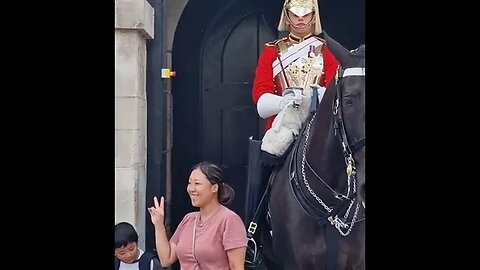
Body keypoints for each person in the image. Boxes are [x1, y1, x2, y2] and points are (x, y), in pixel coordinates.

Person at [245, 0, 340, 252]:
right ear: (286, 16)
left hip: (319, 123)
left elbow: (335, 89)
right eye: (295, 14)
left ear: (313, 16)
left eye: (305, 14)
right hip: (284, 123)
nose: (300, 20)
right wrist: (285, 101)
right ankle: (255, 230)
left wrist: (314, 98)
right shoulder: (272, 51)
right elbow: (261, 94)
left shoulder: (327, 50)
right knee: (265, 167)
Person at [148, 161, 247, 270]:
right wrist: (158, 224)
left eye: (197, 183)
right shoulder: (188, 219)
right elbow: (166, 259)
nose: (191, 189)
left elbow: (237, 267)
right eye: (190, 183)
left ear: (214, 188)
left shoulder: (229, 220)